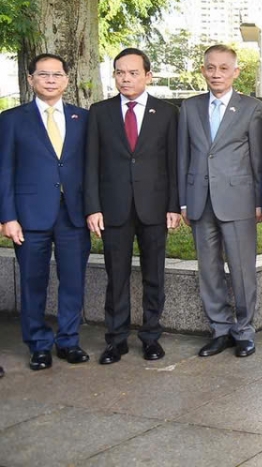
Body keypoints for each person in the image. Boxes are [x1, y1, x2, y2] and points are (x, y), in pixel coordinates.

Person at [85, 48, 181, 365]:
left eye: (133, 73)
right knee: (117, 277)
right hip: (113, 209)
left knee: (154, 277)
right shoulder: (99, 112)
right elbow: (91, 165)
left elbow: (172, 163)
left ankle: (151, 337)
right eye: (119, 72)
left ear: (148, 76)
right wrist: (93, 207)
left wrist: (173, 206)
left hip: (154, 208)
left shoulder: (167, 112)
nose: (125, 78)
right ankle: (116, 340)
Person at [0, 54, 90, 370]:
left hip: (73, 215)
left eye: (57, 74)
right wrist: (7, 217)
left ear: (67, 79)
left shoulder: (83, 119)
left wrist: (93, 209)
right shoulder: (11, 120)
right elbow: (5, 170)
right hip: (28, 216)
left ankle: (68, 340)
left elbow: (91, 169)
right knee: (33, 282)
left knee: (73, 281)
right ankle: (38, 344)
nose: (50, 80)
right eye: (43, 74)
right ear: (30, 79)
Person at [178, 44, 262, 359]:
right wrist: (184, 202)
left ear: (235, 72)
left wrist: (261, 201)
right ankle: (219, 330)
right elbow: (183, 156)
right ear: (203, 70)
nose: (216, 73)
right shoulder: (189, 107)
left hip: (239, 201)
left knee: (242, 270)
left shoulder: (252, 108)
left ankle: (244, 331)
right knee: (209, 269)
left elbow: (259, 159)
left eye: (223, 68)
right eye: (210, 67)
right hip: (200, 201)